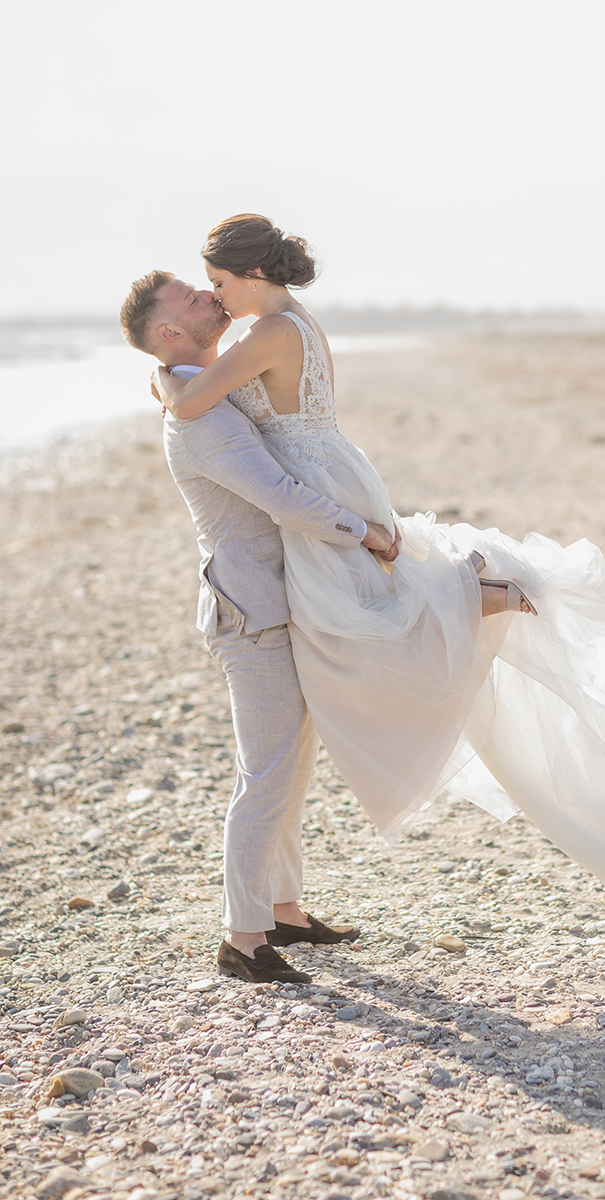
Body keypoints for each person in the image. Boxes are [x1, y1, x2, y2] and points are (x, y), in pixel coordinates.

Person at [153, 214, 605, 913]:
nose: (217, 298)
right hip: (332, 468)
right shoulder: (295, 321)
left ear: (254, 276)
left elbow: (192, 401)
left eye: (221, 284)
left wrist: (163, 379)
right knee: (355, 607)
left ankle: (468, 593)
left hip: (316, 483)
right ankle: (467, 590)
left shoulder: (265, 333)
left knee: (349, 624)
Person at [120, 270, 403, 985]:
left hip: (276, 600)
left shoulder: (205, 390)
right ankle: (242, 940)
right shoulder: (203, 417)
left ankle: (283, 909)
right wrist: (362, 531)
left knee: (292, 762)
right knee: (267, 771)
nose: (210, 298)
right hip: (249, 610)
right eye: (193, 298)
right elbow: (279, 496)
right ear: (168, 334)